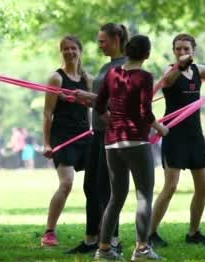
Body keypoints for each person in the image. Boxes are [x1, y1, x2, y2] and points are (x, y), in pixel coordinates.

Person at [93, 35, 168, 261]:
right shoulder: (144, 77)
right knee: (144, 195)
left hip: (112, 143)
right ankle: (142, 249)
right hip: (136, 142)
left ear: (127, 51)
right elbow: (145, 112)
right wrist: (159, 128)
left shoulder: (112, 74)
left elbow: (98, 106)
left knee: (116, 197)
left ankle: (104, 249)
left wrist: (114, 122)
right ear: (146, 54)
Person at [148, 33, 205, 248]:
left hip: (195, 135)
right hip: (173, 135)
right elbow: (167, 81)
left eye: (186, 49)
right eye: (178, 49)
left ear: (193, 50)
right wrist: (179, 65)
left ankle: (194, 232)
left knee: (203, 186)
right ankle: (150, 233)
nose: (182, 52)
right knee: (170, 187)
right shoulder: (171, 71)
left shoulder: (198, 71)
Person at [68, 23, 128, 255]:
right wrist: (86, 99)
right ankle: (91, 239)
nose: (99, 44)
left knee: (107, 189)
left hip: (113, 136)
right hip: (98, 132)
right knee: (90, 186)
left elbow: (120, 103)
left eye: (103, 41)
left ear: (115, 39)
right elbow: (102, 98)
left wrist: (90, 97)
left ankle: (112, 240)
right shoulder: (107, 66)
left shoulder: (124, 67)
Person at [41, 36, 93, 247]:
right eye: (65, 49)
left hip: (84, 135)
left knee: (96, 185)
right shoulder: (56, 78)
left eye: (73, 48)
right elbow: (47, 113)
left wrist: (90, 131)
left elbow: (90, 108)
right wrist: (46, 143)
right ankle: (49, 232)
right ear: (61, 52)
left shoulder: (87, 79)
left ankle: (96, 232)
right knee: (67, 183)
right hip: (62, 135)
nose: (70, 52)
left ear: (80, 51)